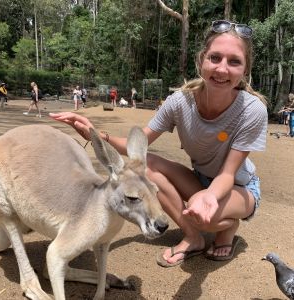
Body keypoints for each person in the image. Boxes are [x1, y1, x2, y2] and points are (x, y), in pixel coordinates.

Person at [50, 20, 267, 267]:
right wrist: (97, 136)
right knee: (146, 166)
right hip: (201, 177)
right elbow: (138, 144)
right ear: (202, 60)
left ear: (245, 69)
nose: (222, 69)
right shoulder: (180, 102)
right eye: (215, 58)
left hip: (240, 187)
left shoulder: (252, 110)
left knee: (204, 216)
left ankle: (227, 228)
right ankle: (193, 237)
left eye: (234, 61)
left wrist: (209, 196)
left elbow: (228, 174)